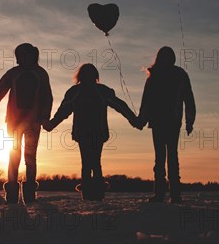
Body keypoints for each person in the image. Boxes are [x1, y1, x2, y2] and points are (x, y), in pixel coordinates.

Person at [43, 63, 141, 200]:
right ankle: (92, 192)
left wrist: (134, 120)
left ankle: (92, 192)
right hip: (86, 132)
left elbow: (119, 105)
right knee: (91, 161)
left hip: (95, 132)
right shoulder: (79, 92)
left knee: (91, 161)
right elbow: (63, 111)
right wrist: (51, 124)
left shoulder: (95, 91)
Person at [0, 43, 53, 204]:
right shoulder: (13, 73)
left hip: (34, 122)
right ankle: (12, 191)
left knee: (30, 158)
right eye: (24, 55)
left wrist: (45, 116)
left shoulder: (41, 73)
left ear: (35, 56)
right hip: (13, 122)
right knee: (14, 156)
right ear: (19, 57)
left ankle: (30, 194)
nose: (28, 58)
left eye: (31, 55)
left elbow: (47, 97)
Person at [137, 46, 196, 204]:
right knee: (160, 158)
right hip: (157, 122)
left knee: (171, 157)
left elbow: (188, 98)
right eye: (165, 56)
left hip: (172, 121)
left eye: (169, 56)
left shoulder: (179, 75)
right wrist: (142, 120)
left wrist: (189, 121)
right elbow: (146, 101)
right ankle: (160, 194)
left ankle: (175, 194)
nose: (167, 59)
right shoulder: (154, 76)